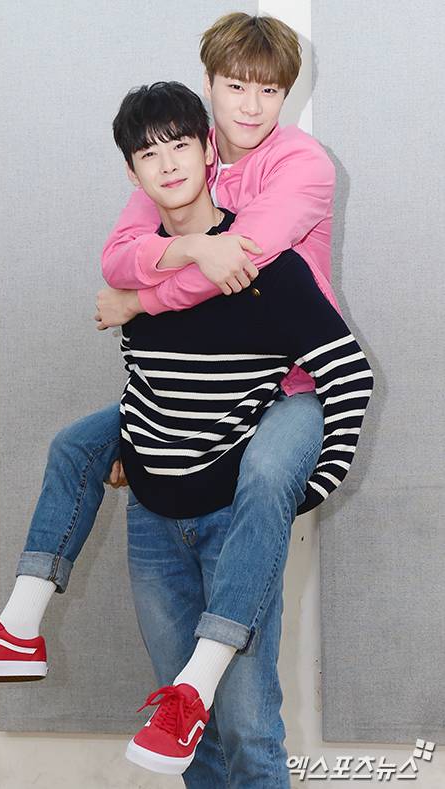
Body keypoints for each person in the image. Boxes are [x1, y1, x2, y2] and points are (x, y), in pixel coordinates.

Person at [0, 12, 353, 785]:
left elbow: (237, 265)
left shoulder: (300, 165)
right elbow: (122, 255)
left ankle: (200, 675)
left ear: (286, 97)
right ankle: (18, 625)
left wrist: (141, 297)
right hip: (194, 416)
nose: (250, 107)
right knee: (79, 443)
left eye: (269, 91)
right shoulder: (178, 159)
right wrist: (180, 253)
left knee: (265, 482)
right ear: (210, 89)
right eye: (235, 87)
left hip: (293, 387)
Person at [105, 82, 373, 778]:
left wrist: (315, 482)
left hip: (232, 519)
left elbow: (348, 372)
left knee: (249, 729)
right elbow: (144, 378)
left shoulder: (264, 263)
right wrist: (129, 444)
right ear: (131, 173)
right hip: (152, 524)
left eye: (179, 145)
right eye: (148, 154)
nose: (167, 163)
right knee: (189, 734)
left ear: (208, 151)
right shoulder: (142, 273)